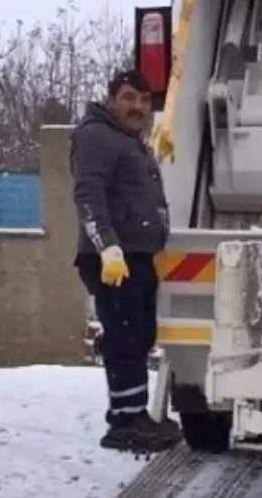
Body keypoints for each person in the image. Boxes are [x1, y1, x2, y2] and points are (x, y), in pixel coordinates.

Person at [71, 69, 183, 455]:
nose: (138, 106)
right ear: (112, 98)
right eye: (130, 97)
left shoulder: (129, 139)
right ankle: (123, 423)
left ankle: (134, 414)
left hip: (135, 253)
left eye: (144, 100)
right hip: (112, 259)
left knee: (137, 337)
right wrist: (108, 247)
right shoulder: (95, 136)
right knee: (123, 338)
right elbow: (88, 194)